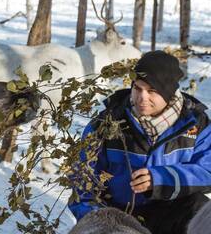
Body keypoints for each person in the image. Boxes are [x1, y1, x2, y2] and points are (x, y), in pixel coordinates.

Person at [68, 50, 211, 234]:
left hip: (173, 215)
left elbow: (207, 170)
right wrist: (99, 218)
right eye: (137, 88)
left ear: (169, 92)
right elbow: (81, 183)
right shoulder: (106, 124)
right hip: (120, 217)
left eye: (152, 91)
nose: (142, 98)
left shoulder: (195, 124)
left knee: (203, 211)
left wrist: (160, 179)